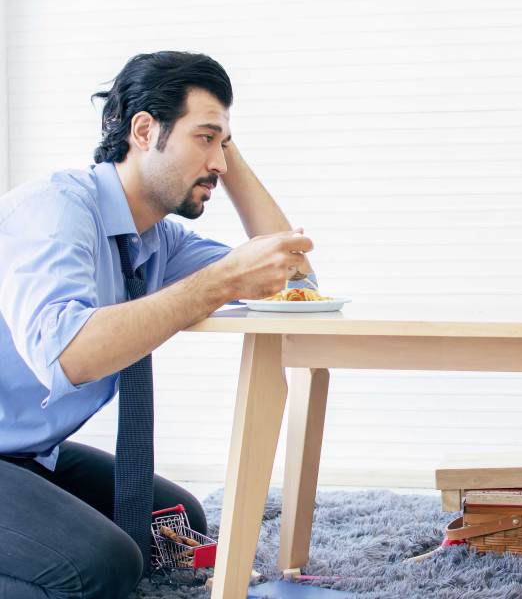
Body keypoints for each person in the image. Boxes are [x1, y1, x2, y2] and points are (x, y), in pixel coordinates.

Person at [0, 51, 315, 598]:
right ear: (144, 130)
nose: (218, 162)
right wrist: (219, 283)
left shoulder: (157, 241)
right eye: (206, 138)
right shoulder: (55, 210)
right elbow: (69, 355)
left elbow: (295, 280)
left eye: (226, 145)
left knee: (176, 518)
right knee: (103, 566)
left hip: (25, 452)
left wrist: (226, 154)